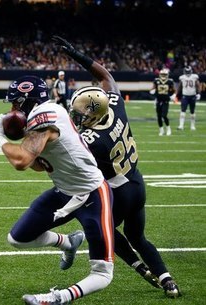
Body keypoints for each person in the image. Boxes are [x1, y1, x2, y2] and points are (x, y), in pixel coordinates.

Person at [52, 35, 181, 298]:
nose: (77, 118)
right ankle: (168, 281)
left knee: (101, 226)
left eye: (80, 115)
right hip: (136, 183)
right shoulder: (115, 107)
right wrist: (80, 55)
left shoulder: (93, 141)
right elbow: (106, 77)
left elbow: (65, 155)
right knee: (138, 237)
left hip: (118, 193)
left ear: (92, 114)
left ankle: (138, 267)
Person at [0, 75, 114, 305]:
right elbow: (38, 166)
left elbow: (20, 162)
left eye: (15, 103)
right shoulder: (43, 116)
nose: (12, 109)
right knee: (17, 239)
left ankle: (59, 297)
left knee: (102, 271)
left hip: (92, 193)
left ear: (27, 101)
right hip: (63, 191)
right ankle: (68, 242)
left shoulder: (45, 115)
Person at [149, 68, 176, 136]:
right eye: (162, 74)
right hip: (158, 100)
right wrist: (152, 91)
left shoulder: (170, 81)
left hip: (165, 101)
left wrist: (173, 95)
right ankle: (161, 130)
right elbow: (153, 88)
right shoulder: (156, 81)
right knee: (158, 116)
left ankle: (168, 128)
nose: (163, 76)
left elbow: (174, 90)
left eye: (165, 74)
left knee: (164, 115)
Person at [177, 66, 201, 131]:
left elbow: (198, 85)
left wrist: (198, 93)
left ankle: (192, 126)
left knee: (192, 111)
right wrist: (176, 94)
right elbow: (179, 87)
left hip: (192, 96)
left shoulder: (194, 77)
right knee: (183, 110)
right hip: (185, 96)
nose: (187, 73)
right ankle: (181, 125)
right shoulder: (182, 77)